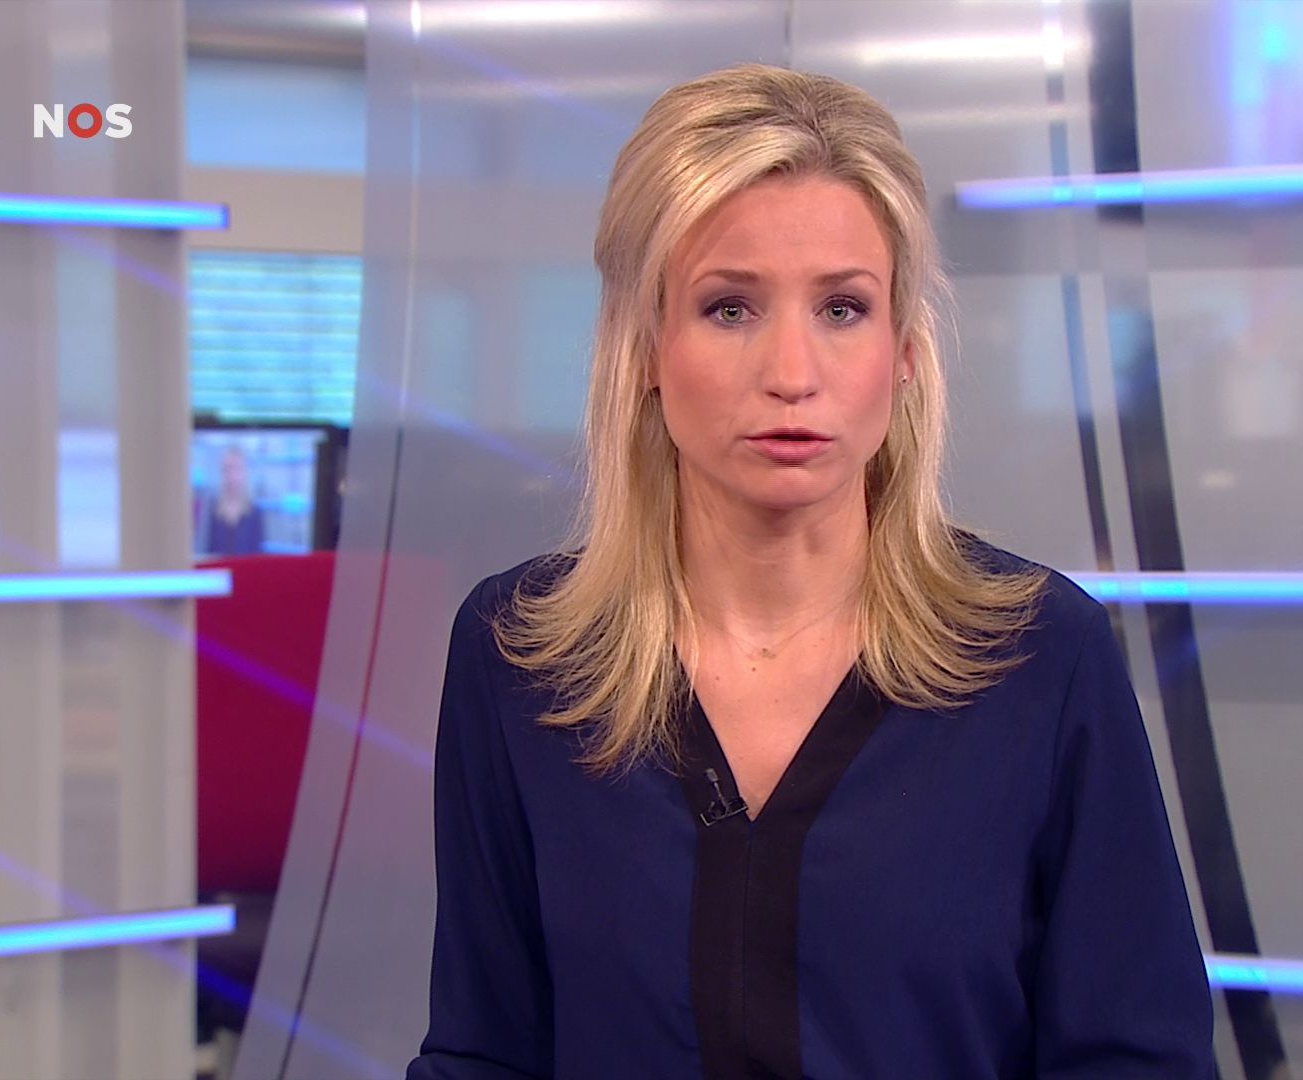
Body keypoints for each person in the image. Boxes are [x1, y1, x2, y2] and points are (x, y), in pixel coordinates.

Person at [409, 64, 1212, 1080]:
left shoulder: (1043, 657)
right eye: (729, 309)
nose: (792, 373)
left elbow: (1137, 1058)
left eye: (841, 308)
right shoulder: (520, 656)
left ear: (905, 349)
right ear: (643, 346)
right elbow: (484, 1052)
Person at [199, 446, 265, 556]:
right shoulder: (212, 509)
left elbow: (258, 555)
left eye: (238, 469)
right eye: (228, 469)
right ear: (222, 472)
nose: (233, 476)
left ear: (245, 472)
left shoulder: (255, 512)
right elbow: (206, 551)